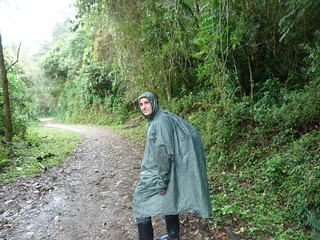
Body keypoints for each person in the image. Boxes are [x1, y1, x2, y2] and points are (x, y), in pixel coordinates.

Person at [133, 92, 211, 240]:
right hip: (159, 171)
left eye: (146, 103)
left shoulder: (160, 121)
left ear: (153, 102)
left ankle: (171, 237)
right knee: (169, 199)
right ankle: (173, 236)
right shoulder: (158, 118)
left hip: (156, 173)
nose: (144, 107)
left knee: (140, 206)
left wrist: (162, 183)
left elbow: (164, 152)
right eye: (141, 104)